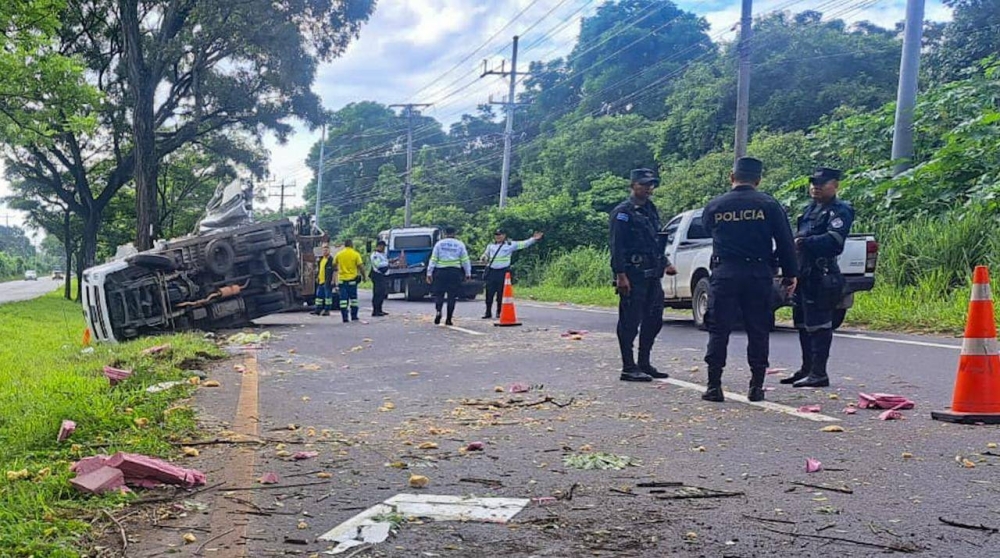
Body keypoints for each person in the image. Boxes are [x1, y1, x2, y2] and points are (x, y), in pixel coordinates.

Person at [702, 157, 798, 403]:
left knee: (719, 329)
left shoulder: (715, 205)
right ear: (758, 180)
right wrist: (790, 273)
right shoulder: (769, 204)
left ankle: (714, 386)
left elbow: (707, 229)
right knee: (758, 330)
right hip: (758, 274)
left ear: (731, 177)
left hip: (725, 273)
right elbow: (786, 242)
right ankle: (756, 387)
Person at [781, 167, 854, 388]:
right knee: (803, 323)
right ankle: (807, 368)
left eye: (822, 183)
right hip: (804, 273)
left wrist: (803, 242)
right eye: (813, 183)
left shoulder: (840, 210)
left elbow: (834, 241)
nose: (816, 187)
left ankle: (819, 373)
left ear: (835, 185)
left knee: (820, 325)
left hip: (822, 274)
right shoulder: (809, 209)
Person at [610, 168, 677, 382]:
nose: (648, 188)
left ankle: (644, 362)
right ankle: (628, 366)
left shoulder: (650, 210)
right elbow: (616, 246)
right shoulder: (623, 212)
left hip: (653, 273)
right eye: (644, 184)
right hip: (632, 274)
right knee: (630, 321)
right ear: (633, 186)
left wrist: (666, 262)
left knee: (654, 319)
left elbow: (654, 240)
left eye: (651, 185)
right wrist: (620, 275)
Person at [480, 229, 544, 319]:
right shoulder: (490, 246)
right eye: (496, 235)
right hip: (492, 271)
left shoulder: (510, 245)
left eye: (500, 234)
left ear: (504, 235)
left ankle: (499, 311)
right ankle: (488, 312)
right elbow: (486, 254)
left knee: (501, 293)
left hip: (503, 272)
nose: (498, 236)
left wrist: (533, 239)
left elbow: (524, 244)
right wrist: (483, 257)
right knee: (489, 293)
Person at [426, 226, 471, 326]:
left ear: (444, 233)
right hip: (454, 272)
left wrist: (429, 273)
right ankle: (449, 318)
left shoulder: (439, 244)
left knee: (439, 294)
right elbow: (465, 260)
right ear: (455, 233)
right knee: (452, 296)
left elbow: (433, 259)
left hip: (441, 271)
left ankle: (438, 311)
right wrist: (468, 273)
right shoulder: (459, 244)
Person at [334, 239, 366, 323]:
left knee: (343, 300)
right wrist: (364, 276)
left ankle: (345, 317)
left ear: (344, 245)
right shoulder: (355, 254)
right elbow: (361, 266)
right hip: (352, 281)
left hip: (342, 281)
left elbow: (334, 265)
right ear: (352, 245)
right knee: (354, 299)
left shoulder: (339, 254)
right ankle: (354, 316)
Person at [370, 240, 396, 317]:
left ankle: (380, 310)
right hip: (377, 275)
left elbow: (385, 262)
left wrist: (392, 261)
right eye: (383, 247)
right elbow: (378, 264)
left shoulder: (382, 254)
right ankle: (375, 311)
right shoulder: (375, 255)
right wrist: (388, 263)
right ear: (379, 246)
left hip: (382, 275)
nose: (384, 248)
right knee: (377, 293)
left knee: (382, 293)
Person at [311, 243, 335, 316]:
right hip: (320, 281)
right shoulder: (321, 259)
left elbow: (335, 271)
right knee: (319, 297)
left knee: (328, 297)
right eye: (324, 250)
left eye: (326, 250)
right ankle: (318, 310)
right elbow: (319, 269)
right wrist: (317, 277)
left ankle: (327, 310)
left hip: (327, 281)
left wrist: (333, 280)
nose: (325, 251)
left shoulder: (331, 260)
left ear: (329, 250)